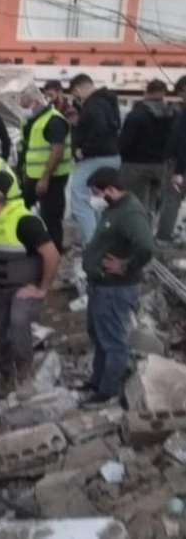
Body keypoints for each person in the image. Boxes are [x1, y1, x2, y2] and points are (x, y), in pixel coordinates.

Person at [0, 187, 59, 399]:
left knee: (18, 321)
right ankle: (6, 378)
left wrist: (42, 289)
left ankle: (24, 372)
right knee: (1, 330)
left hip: (23, 287)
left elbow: (52, 255)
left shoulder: (25, 222)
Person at [82, 167, 155, 406]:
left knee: (113, 340)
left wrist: (125, 266)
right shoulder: (115, 208)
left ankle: (108, 390)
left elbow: (146, 246)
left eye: (96, 193)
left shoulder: (130, 213)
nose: (94, 199)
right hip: (101, 285)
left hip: (115, 289)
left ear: (111, 190)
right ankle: (97, 381)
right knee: (99, 335)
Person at [69, 74, 122, 247]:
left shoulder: (93, 105)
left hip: (94, 158)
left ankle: (91, 243)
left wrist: (83, 150)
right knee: (101, 200)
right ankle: (103, 241)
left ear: (78, 89)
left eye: (75, 94)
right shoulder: (109, 102)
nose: (76, 98)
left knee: (79, 198)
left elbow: (99, 129)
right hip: (111, 156)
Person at [19, 89, 73, 252]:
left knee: (51, 216)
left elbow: (57, 151)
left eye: (26, 105)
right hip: (34, 176)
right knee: (21, 206)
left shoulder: (54, 120)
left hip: (51, 177)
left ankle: (54, 250)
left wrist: (45, 178)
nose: (25, 109)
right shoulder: (37, 120)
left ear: (36, 102)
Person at [119, 79, 176, 213]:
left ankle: (140, 226)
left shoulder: (137, 114)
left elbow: (125, 141)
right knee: (152, 202)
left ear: (146, 93)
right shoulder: (173, 115)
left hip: (136, 164)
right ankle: (150, 224)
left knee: (136, 203)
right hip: (161, 165)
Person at [159, 103, 186, 244]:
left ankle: (163, 236)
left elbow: (182, 140)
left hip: (180, 164)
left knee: (172, 199)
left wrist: (178, 171)